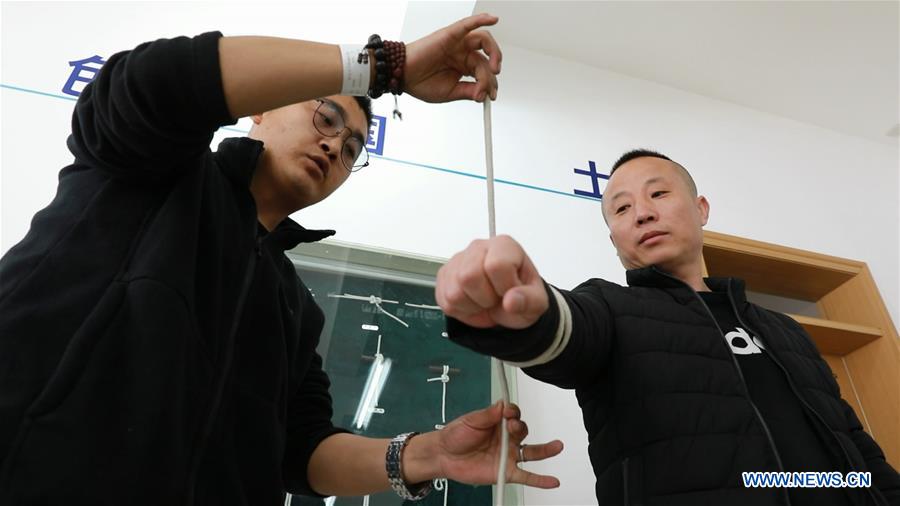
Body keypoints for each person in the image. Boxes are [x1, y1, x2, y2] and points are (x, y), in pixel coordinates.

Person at [0, 14, 564, 505]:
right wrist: (383, 68)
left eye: (352, 149)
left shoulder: (295, 306)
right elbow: (152, 85)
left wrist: (429, 454)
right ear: (262, 109)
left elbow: (304, 452)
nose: (335, 147)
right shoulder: (154, 170)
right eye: (326, 118)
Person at [437, 149, 900, 505]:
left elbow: (856, 449)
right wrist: (526, 314)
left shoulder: (787, 332)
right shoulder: (609, 307)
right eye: (621, 209)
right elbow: (567, 332)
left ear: (701, 209)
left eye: (658, 194)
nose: (642, 213)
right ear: (614, 238)